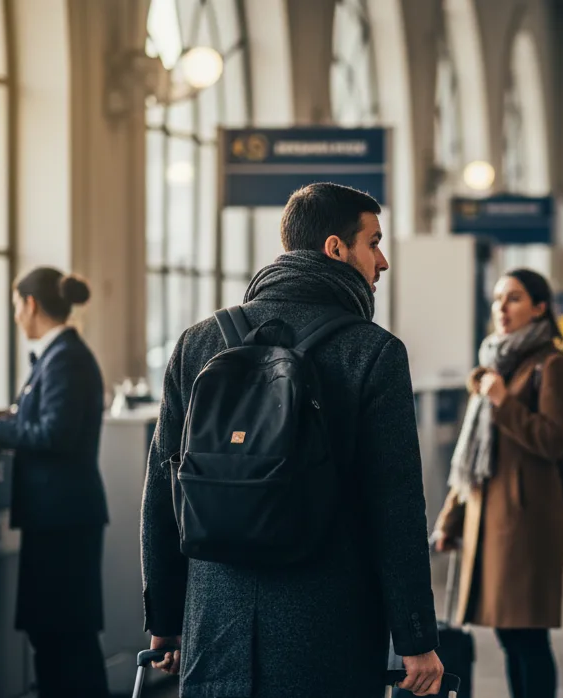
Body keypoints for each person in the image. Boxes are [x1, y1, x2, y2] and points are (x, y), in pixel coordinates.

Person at [139, 183, 444, 698]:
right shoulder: (372, 352)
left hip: (215, 623)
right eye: (373, 243)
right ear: (335, 248)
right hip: (328, 627)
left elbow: (163, 495)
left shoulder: (198, 343)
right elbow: (395, 507)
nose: (382, 261)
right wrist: (416, 638)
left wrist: (166, 619)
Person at [433, 268, 563, 698]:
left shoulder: (552, 366)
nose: (502, 307)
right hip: (491, 520)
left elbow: (553, 441)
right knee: (509, 636)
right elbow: (471, 459)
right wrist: (450, 520)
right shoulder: (496, 363)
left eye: (514, 298)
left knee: (527, 637)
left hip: (527, 522)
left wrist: (503, 402)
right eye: (498, 298)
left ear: (539, 307)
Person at [0, 268, 109, 698]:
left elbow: (54, 434)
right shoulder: (59, 355)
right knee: (57, 633)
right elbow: (49, 419)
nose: (14, 316)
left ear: (30, 304)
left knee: (64, 635)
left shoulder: (64, 357)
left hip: (61, 518)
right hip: (59, 516)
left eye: (15, 305)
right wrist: (7, 417)